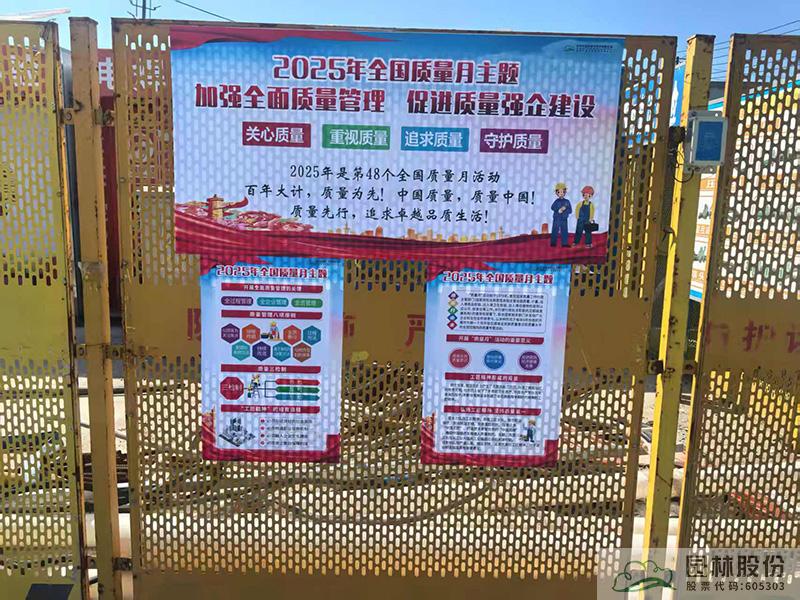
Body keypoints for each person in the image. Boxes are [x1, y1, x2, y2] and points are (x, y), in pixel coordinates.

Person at [550, 182, 572, 247]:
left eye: (562, 192)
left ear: (565, 192)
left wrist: (565, 210)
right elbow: (552, 207)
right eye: (559, 192)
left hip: (564, 219)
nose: (561, 193)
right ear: (557, 193)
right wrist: (558, 210)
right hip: (556, 218)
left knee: (564, 231)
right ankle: (553, 243)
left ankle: (564, 243)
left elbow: (570, 210)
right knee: (555, 230)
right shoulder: (556, 201)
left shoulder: (567, 201)